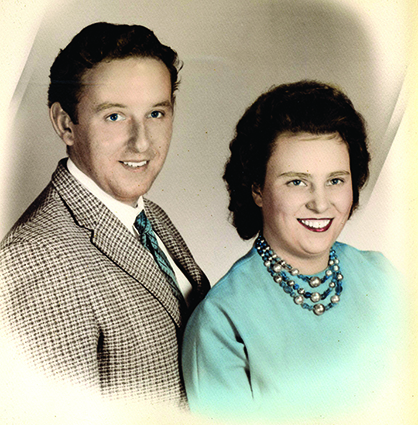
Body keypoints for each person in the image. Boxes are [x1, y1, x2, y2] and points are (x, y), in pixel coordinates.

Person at [0, 22, 209, 406]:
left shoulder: (150, 216)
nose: (142, 143)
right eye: (114, 116)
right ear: (65, 124)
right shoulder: (36, 259)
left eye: (156, 114)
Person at [182, 81, 407, 423]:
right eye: (297, 182)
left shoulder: (382, 274)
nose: (320, 203)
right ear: (257, 189)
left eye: (335, 180)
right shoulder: (221, 322)